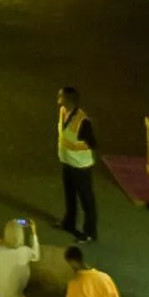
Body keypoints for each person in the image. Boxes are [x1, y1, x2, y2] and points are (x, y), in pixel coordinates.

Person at [57, 87, 103, 243]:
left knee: (86, 199)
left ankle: (90, 232)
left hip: (81, 167)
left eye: (61, 96)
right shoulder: (64, 111)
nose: (58, 99)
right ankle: (69, 222)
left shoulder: (83, 122)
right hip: (67, 162)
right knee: (70, 196)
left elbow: (93, 143)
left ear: (69, 101)